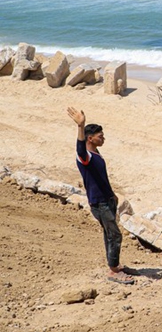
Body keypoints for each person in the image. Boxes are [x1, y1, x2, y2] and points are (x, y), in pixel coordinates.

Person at [67, 106, 134, 285]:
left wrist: (112, 195)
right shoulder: (85, 156)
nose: (103, 138)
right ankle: (113, 271)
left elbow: (100, 179)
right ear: (90, 138)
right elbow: (80, 149)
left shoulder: (96, 154)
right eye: (100, 136)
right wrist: (80, 126)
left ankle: (115, 265)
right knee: (115, 235)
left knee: (109, 234)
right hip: (100, 203)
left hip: (107, 200)